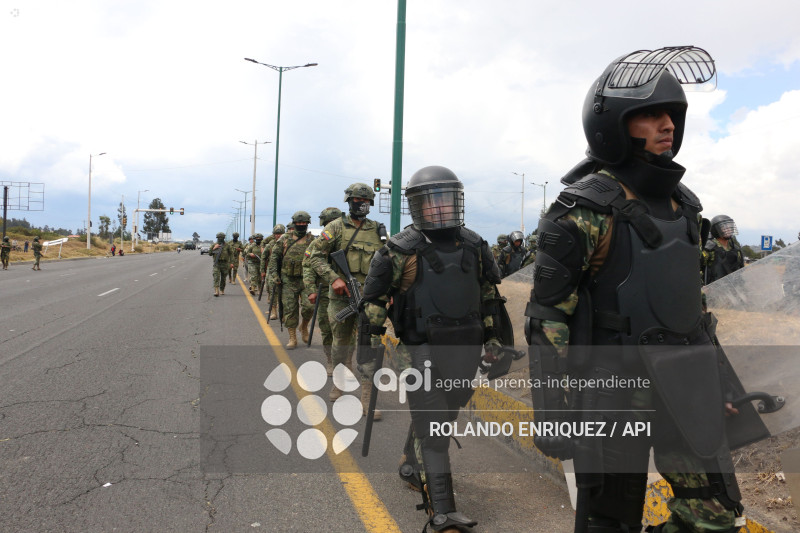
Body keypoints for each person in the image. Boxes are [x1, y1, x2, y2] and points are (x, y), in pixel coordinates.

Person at [524, 47, 745, 532]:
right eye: (650, 114)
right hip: (613, 390)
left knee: (715, 516)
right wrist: (551, 411)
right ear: (613, 125)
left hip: (684, 384)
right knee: (609, 521)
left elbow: (695, 309)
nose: (667, 125)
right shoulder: (582, 209)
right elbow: (548, 318)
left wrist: (723, 381)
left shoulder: (686, 206)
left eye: (672, 115)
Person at [361, 166, 502, 532]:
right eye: (430, 201)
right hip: (418, 350)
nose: (439, 208)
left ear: (456, 201)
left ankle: (411, 465)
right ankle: (442, 513)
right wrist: (369, 352)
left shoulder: (475, 245)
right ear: (417, 206)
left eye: (445, 199)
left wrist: (494, 341)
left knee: (443, 416)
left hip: (464, 350)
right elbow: (374, 303)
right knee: (435, 430)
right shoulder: (398, 250)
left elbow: (489, 296)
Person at [304, 182, 386, 415]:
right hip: (341, 297)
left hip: (369, 298)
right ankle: (339, 382)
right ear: (349, 202)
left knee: (369, 346)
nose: (362, 204)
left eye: (366, 201)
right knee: (340, 344)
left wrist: (387, 292)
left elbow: (387, 262)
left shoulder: (378, 230)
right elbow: (315, 256)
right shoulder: (336, 227)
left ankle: (367, 398)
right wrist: (334, 279)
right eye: (358, 200)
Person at [303, 207, 343, 374]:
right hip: (325, 291)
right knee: (326, 328)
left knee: (345, 330)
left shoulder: (347, 241)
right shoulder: (316, 244)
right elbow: (308, 267)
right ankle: (331, 360)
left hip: (345, 291)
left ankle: (344, 361)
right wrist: (311, 290)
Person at [268, 211, 315, 349]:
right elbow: (274, 258)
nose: (301, 225)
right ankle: (292, 337)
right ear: (294, 223)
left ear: (307, 223)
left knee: (309, 306)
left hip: (307, 280)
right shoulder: (285, 239)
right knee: (290, 309)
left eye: (304, 223)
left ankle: (304, 326)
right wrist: (275, 275)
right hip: (288, 280)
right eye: (299, 223)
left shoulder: (312, 240)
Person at [703, 215, 744, 284]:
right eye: (724, 227)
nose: (728, 229)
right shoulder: (709, 249)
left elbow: (740, 270)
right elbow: (697, 269)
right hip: (712, 288)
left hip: (731, 288)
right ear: (715, 229)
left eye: (730, 226)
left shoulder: (736, 250)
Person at [260, 224, 286, 318]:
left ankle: (283, 313)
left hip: (284, 271)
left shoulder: (288, 243)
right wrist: (262, 270)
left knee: (284, 293)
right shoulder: (270, 245)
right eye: (276, 234)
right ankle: (274, 311)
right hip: (272, 271)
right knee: (272, 291)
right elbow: (263, 258)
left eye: (280, 233)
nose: (278, 235)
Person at [210, 232, 232, 297]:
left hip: (225, 264)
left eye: (221, 238)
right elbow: (209, 253)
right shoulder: (214, 245)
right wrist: (214, 248)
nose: (220, 239)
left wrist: (231, 263)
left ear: (223, 238)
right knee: (216, 277)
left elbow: (231, 254)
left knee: (223, 278)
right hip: (217, 263)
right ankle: (216, 291)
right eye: (219, 238)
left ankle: (222, 289)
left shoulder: (227, 245)